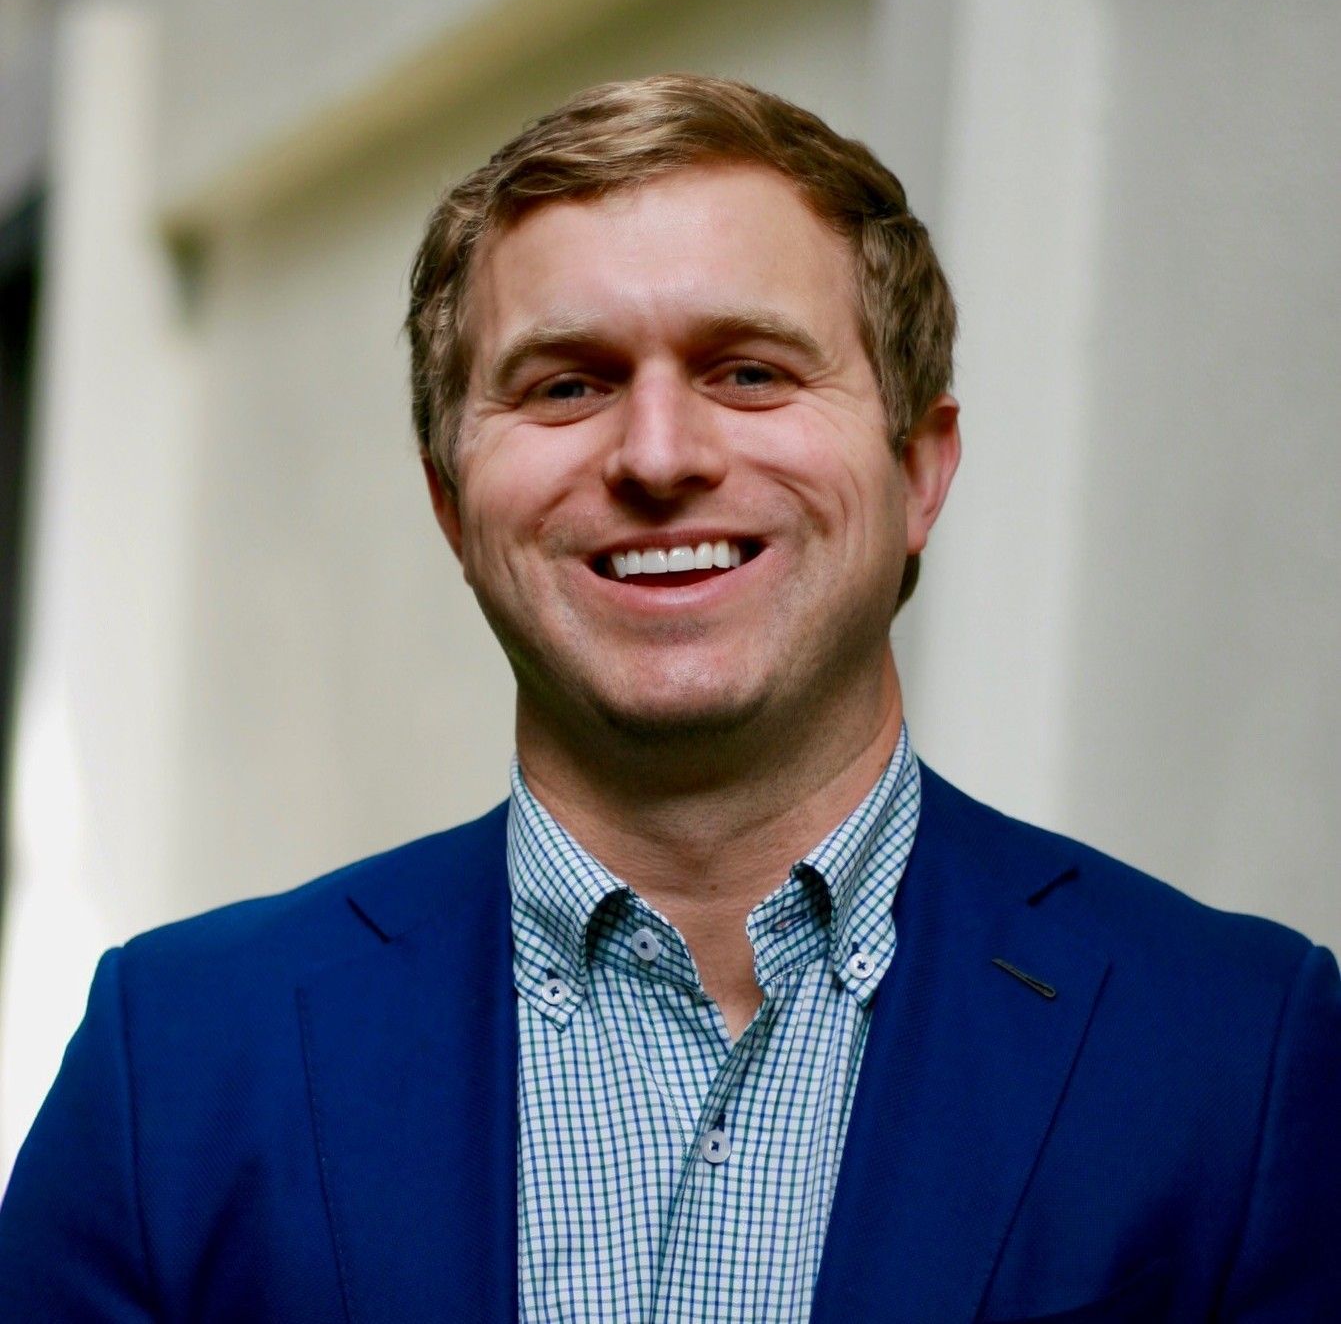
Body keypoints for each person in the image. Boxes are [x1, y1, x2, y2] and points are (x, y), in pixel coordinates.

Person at [1, 74, 1337, 1323]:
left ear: (920, 470)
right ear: (452, 505)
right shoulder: (173, 1062)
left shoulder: (1234, 1052)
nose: (656, 456)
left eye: (748, 371)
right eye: (565, 385)